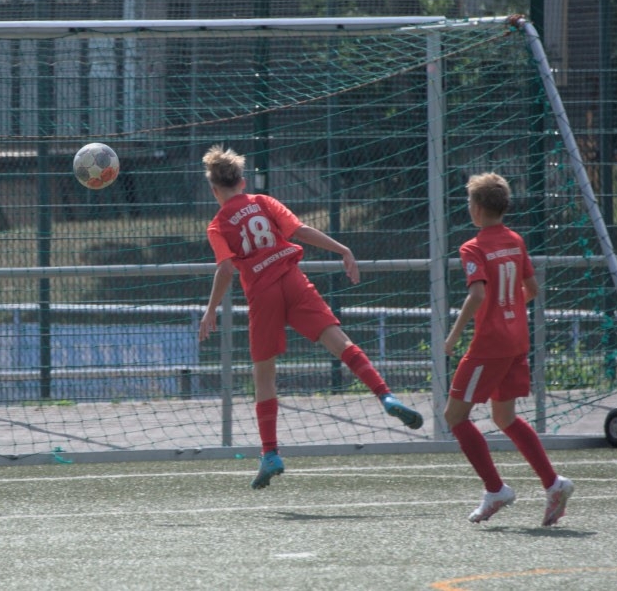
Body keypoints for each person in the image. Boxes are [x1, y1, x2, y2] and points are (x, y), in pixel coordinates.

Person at [197, 145, 423, 490]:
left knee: (264, 375)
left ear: (214, 190)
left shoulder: (217, 225)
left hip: (263, 294)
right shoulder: (263, 202)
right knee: (340, 342)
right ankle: (385, 396)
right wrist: (343, 249)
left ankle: (270, 452)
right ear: (242, 182)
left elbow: (226, 269)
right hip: (292, 279)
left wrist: (211, 309)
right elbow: (300, 230)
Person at [444, 172, 573, 526]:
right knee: (504, 417)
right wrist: (509, 309)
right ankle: (554, 483)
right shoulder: (515, 240)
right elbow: (532, 288)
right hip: (517, 339)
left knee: (454, 416)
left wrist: (453, 336)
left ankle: (496, 489)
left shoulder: (472, 247)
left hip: (489, 345)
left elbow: (477, 294)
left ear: (477, 207)